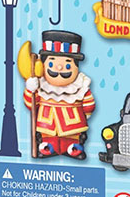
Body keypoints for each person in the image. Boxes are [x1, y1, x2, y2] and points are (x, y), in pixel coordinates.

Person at [24, 30, 95, 159]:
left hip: (73, 125)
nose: (60, 68)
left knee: (72, 139)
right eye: (51, 64)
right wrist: (30, 89)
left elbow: (89, 105)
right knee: (48, 139)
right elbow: (31, 105)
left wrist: (85, 115)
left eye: (68, 65)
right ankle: (48, 148)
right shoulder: (41, 86)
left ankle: (72, 149)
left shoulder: (80, 85)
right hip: (47, 124)